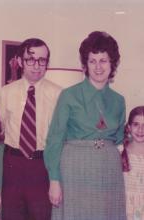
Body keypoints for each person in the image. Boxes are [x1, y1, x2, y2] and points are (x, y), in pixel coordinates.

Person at [44, 31, 126, 220]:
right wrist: (54, 180)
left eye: (103, 60)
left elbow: (120, 140)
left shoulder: (119, 101)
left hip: (109, 169)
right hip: (75, 168)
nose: (98, 67)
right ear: (85, 65)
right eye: (92, 61)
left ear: (112, 63)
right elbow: (55, 139)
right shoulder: (69, 95)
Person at [0, 38, 61, 220]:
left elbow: (59, 137)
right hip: (12, 164)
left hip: (42, 166)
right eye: (30, 59)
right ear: (20, 61)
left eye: (42, 60)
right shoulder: (6, 92)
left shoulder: (58, 94)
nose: (36, 65)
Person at [122, 106, 144, 220]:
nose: (141, 130)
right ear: (129, 127)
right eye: (136, 124)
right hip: (127, 212)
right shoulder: (121, 152)